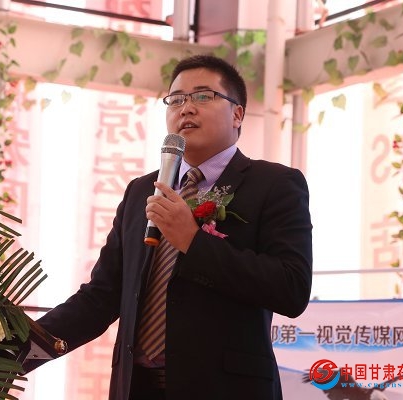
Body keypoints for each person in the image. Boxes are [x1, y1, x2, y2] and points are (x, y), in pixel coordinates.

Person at [33, 54, 313, 400]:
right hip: (137, 389)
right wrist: (7, 356)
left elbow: (291, 288)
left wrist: (194, 242)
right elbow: (100, 297)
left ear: (238, 114)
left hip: (226, 390)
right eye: (176, 99)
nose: (187, 108)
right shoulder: (142, 191)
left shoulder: (274, 184)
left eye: (203, 96)